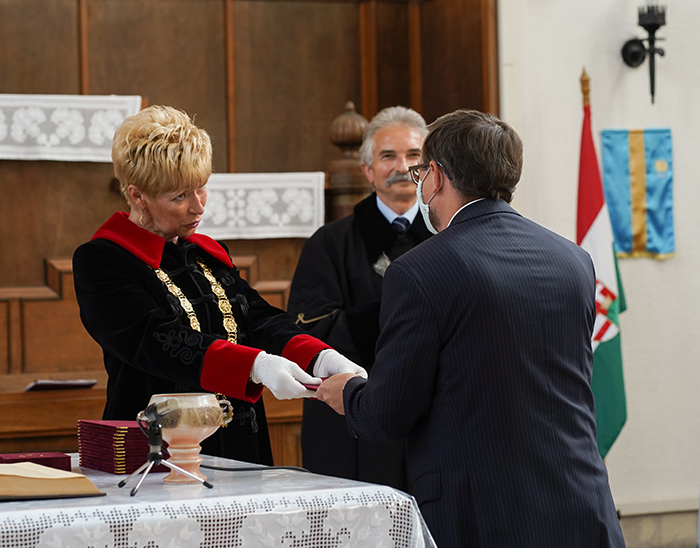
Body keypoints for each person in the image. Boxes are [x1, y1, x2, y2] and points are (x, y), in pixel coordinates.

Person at [317, 109, 625, 547]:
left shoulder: (419, 270)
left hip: (484, 514)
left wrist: (347, 392)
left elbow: (389, 414)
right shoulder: (573, 259)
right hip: (580, 500)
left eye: (421, 171)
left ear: (437, 177)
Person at [72, 105, 365, 465]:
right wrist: (255, 365)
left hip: (240, 439)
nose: (198, 208)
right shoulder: (101, 259)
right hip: (158, 449)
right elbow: (155, 339)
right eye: (180, 197)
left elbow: (255, 317)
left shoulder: (206, 253)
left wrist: (317, 356)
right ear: (137, 195)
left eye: (202, 189)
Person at [287, 106, 432, 490]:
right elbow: (312, 332)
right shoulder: (328, 244)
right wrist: (411, 316)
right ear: (368, 170)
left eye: (414, 155)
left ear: (430, 167)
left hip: (432, 415)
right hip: (356, 416)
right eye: (388, 156)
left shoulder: (449, 237)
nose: (403, 167)